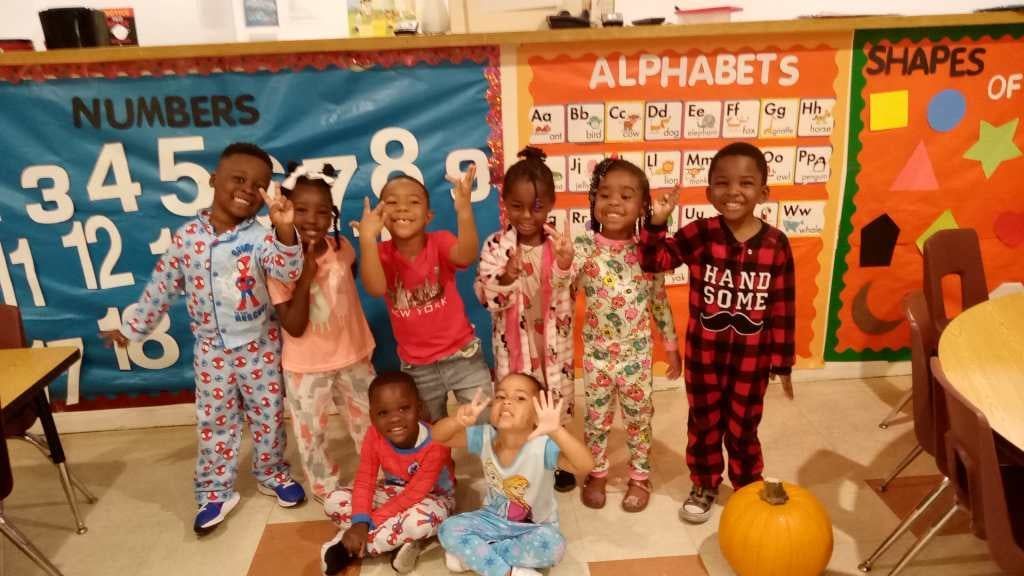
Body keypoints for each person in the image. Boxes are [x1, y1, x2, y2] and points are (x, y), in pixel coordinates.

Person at [99, 142, 306, 534]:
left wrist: (283, 227)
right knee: (215, 421)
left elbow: (289, 269)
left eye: (259, 185)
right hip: (212, 353)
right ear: (213, 180)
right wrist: (132, 328)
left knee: (268, 417)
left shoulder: (262, 237)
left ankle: (272, 471)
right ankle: (215, 490)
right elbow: (161, 286)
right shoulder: (186, 239)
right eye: (239, 179)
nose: (248, 189)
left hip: (260, 346)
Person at [638, 141, 796, 524]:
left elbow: (782, 306)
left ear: (763, 192)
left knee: (744, 426)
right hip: (704, 356)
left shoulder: (776, 244)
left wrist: (782, 362)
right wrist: (657, 223)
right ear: (709, 192)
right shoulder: (701, 234)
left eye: (746, 183)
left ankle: (745, 486)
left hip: (752, 360)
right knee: (705, 423)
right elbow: (654, 260)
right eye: (722, 184)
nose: (733, 192)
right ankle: (705, 483)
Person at [573, 158, 681, 513]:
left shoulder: (646, 254)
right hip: (597, 356)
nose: (614, 202)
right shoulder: (584, 248)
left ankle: (639, 476)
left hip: (636, 357)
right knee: (597, 419)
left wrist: (672, 347)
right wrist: (560, 265)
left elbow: (659, 302)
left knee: (638, 419)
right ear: (593, 201)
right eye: (605, 194)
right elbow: (563, 291)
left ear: (643, 206)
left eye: (626, 195)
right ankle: (598, 472)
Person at [267, 162, 375, 502]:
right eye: (301, 210)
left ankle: (382, 476)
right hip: (306, 366)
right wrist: (308, 271)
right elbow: (295, 325)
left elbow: (348, 288)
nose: (312, 219)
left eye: (322, 211)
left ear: (333, 215)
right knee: (310, 432)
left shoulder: (343, 248)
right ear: (283, 210)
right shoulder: (275, 262)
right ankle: (326, 488)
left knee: (369, 423)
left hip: (354, 355)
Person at [474, 146, 577, 492]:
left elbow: (568, 288)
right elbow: (488, 299)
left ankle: (554, 459)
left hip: (552, 347)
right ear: (505, 203)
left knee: (553, 402)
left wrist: (563, 263)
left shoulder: (559, 244)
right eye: (516, 206)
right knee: (516, 403)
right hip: (514, 348)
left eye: (536, 207)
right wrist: (506, 276)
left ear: (550, 204)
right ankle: (519, 461)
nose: (527, 216)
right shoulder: (495, 246)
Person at [355, 166, 492, 422]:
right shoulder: (381, 254)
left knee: (484, 424)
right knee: (431, 435)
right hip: (417, 368)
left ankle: (491, 463)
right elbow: (374, 288)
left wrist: (464, 210)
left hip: (463, 356)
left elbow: (466, 255)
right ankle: (440, 464)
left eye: (413, 202)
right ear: (382, 215)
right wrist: (366, 241)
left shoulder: (439, 241)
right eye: (392, 203)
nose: (403, 208)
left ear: (428, 216)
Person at [433, 374, 594, 576]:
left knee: (554, 547)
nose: (507, 401)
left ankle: (475, 556)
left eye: (520, 398)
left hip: (534, 526)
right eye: (500, 396)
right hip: (492, 518)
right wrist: (456, 421)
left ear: (537, 413)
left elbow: (585, 465)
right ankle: (508, 572)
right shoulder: (484, 436)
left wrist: (557, 431)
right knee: (448, 529)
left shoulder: (543, 445)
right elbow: (440, 437)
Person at [320, 372, 455, 575]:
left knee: (422, 520)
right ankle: (400, 541)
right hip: (392, 491)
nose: (394, 418)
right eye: (383, 413)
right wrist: (359, 521)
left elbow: (415, 494)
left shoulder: (437, 442)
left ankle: (347, 547)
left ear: (419, 408)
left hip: (432, 498)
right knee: (333, 500)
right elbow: (365, 480)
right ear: (372, 416)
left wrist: (367, 524)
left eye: (404, 408)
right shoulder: (374, 435)